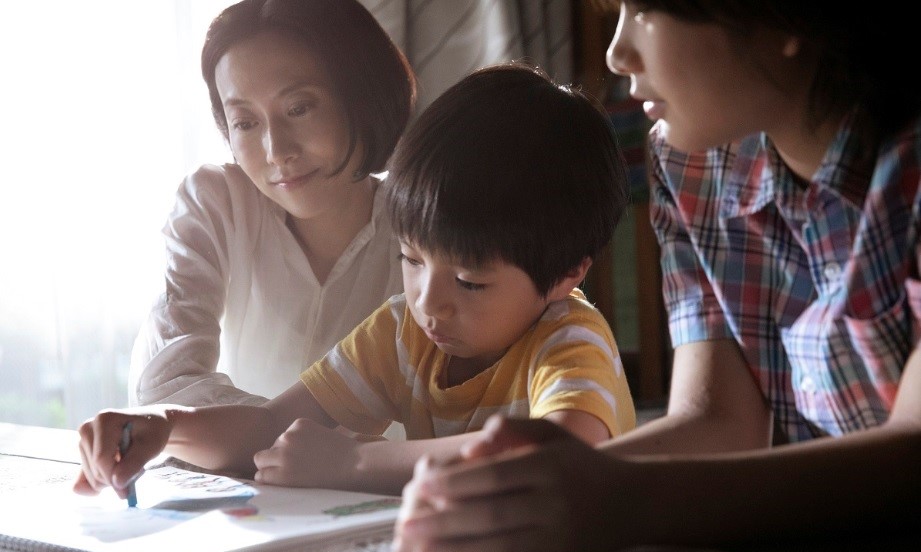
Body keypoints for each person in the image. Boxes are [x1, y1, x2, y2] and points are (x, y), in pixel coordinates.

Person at [392, 0, 921, 552]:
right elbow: (719, 420)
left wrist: (621, 500)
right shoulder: (697, 164)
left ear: (783, 20)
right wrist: (523, 493)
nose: (618, 53)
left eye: (644, 11)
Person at [74, 63, 636, 498]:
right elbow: (271, 426)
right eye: (412, 260)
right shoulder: (403, 332)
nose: (429, 304)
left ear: (567, 275)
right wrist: (165, 427)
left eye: (469, 282)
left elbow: (557, 453)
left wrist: (354, 462)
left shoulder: (569, 340)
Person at [127, 0, 415, 412]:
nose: (277, 151)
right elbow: (164, 384)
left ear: (362, 96)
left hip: (377, 478)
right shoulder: (217, 204)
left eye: (299, 108)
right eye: (245, 123)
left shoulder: (423, 227)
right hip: (235, 477)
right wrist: (301, 440)